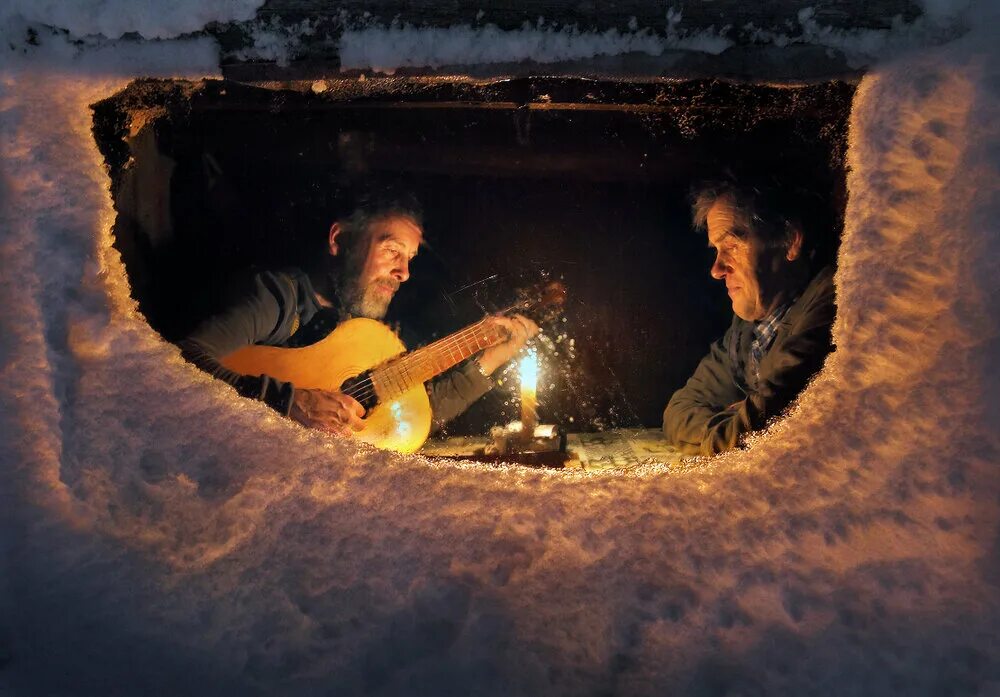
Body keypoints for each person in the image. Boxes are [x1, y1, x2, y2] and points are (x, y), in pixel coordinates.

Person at [179, 189, 538, 436]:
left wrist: (488, 360)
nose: (404, 273)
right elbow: (183, 359)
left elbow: (407, 413)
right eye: (392, 250)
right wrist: (292, 401)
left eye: (410, 259)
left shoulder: (360, 324)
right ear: (339, 240)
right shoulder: (278, 297)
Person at [663, 178, 837, 456]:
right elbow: (679, 410)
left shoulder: (831, 305)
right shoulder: (747, 329)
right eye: (716, 251)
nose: (716, 270)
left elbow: (765, 430)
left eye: (731, 246)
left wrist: (730, 427)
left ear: (790, 241)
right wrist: (731, 425)